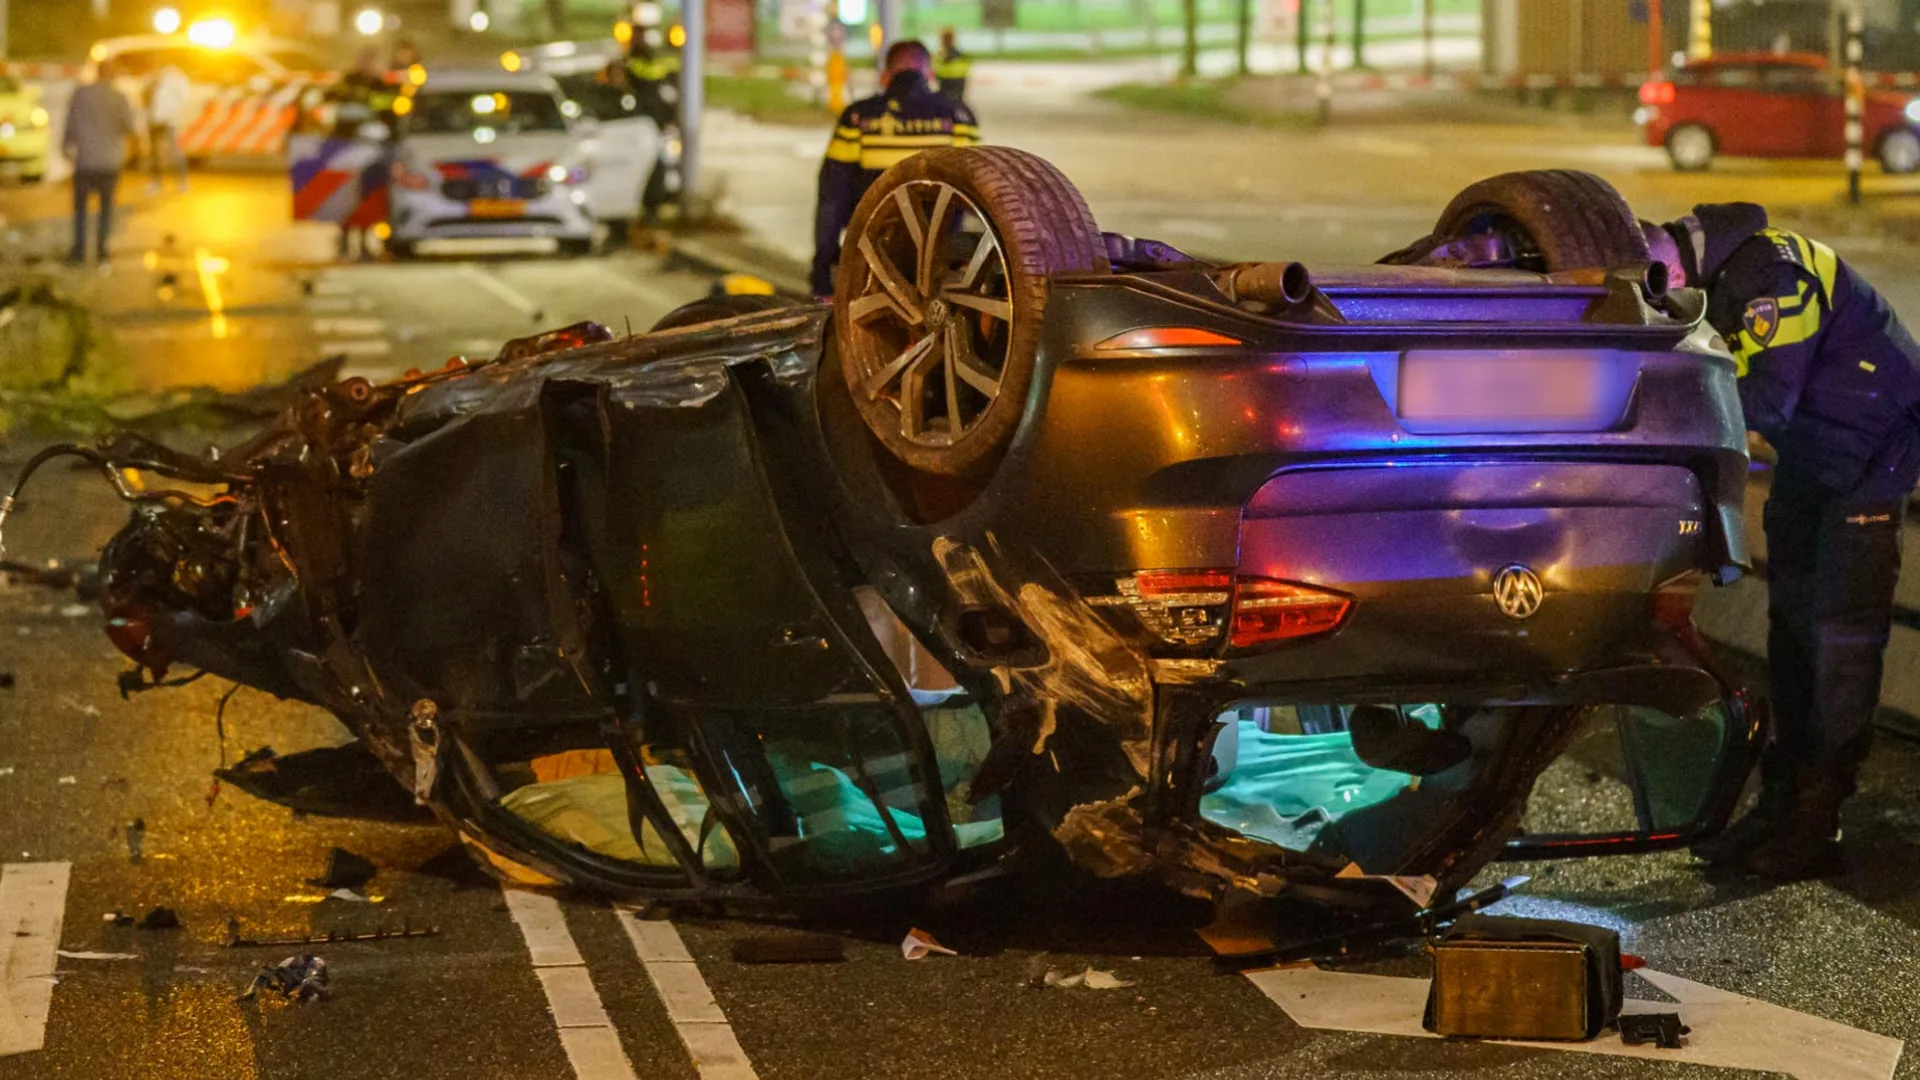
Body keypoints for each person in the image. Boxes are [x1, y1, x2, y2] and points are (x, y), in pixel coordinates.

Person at [1645, 204, 1920, 881]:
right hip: (1815, 456)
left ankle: (1816, 821)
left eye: (1660, 293)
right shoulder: (1725, 277)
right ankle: (1779, 805)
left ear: (1677, 265)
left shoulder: (1774, 278)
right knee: (1792, 633)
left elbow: (1765, 403)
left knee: (1841, 645)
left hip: (1867, 463)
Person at [810, 39, 980, 299]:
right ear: (930, 75)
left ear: (885, 76)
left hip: (872, 259)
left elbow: (832, 197)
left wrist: (823, 271)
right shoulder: (958, 117)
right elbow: (979, 190)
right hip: (940, 260)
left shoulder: (857, 118)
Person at [62, 58, 140, 267]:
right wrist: (135, 153)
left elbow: (70, 125)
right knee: (106, 208)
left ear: (97, 73)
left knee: (80, 209)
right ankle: (102, 251)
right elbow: (130, 128)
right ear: (113, 75)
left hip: (85, 161)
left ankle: (79, 252)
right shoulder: (119, 97)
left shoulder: (81, 94)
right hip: (110, 162)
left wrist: (66, 149)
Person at [146, 63, 190, 194]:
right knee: (156, 153)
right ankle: (156, 182)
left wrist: (172, 114)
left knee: (174, 152)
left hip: (169, 120)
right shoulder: (158, 81)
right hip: (156, 119)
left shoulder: (178, 81)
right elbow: (150, 98)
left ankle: (182, 181)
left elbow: (183, 100)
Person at [933, 27, 972, 105]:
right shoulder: (962, 56)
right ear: (954, 39)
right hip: (958, 96)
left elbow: (935, 72)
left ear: (942, 40)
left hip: (945, 95)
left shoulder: (939, 57)